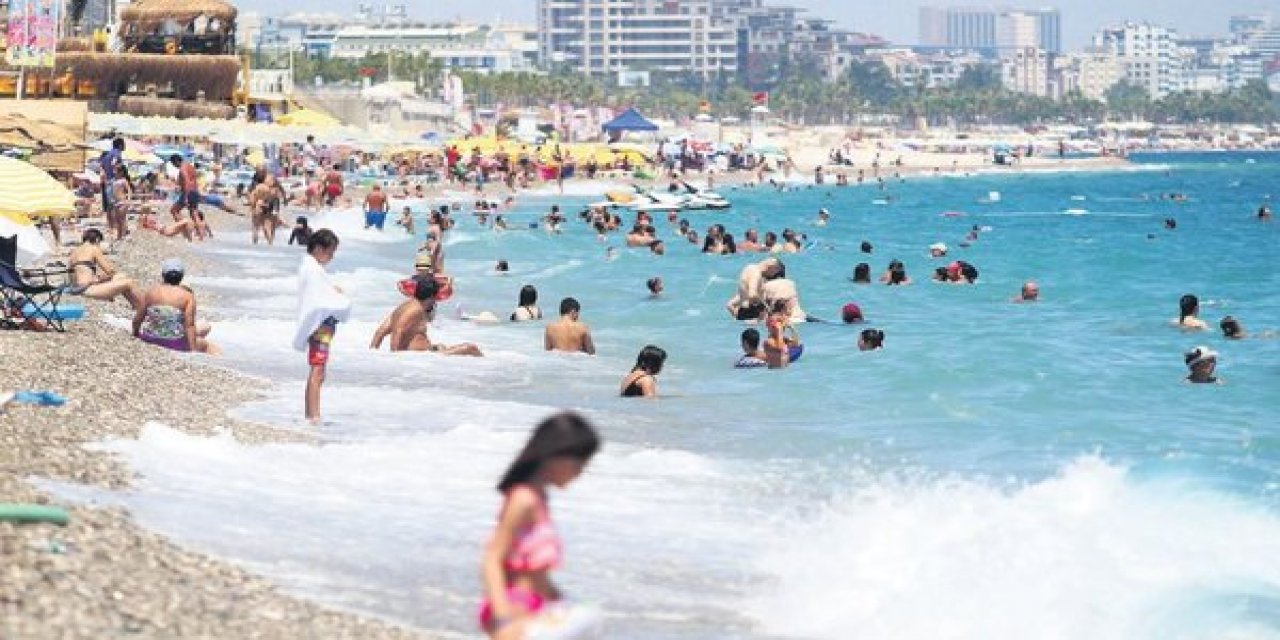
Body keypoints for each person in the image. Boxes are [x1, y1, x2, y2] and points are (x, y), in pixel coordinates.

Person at [480, 411, 601, 640]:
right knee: (589, 619)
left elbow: (538, 575)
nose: (580, 472)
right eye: (580, 464)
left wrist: (560, 602)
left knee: (591, 618)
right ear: (556, 456)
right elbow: (492, 558)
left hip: (538, 604)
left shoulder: (539, 498)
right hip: (515, 606)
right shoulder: (522, 499)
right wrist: (503, 618)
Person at [294, 230, 351, 425]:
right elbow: (318, 301)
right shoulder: (313, 270)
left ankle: (311, 414)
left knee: (318, 371)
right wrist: (337, 295)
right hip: (320, 327)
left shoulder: (311, 268)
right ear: (319, 248)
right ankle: (313, 417)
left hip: (320, 326)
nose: (332, 256)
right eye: (330, 251)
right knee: (317, 371)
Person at [370, 277, 483, 356]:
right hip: (421, 357)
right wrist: (396, 360)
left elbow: (380, 332)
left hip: (424, 356)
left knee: (441, 346)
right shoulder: (416, 311)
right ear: (432, 296)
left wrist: (372, 356)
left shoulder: (404, 307)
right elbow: (399, 331)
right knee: (471, 348)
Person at [132, 259, 218, 354]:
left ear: (163, 275)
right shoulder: (188, 297)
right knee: (207, 345)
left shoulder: (151, 292)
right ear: (181, 277)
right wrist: (192, 349)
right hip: (174, 343)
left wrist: (136, 333)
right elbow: (190, 325)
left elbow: (138, 318)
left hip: (150, 338)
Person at [67, 229, 143, 310]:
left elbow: (74, 275)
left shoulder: (74, 251)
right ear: (97, 240)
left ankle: (137, 307)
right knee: (128, 283)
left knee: (121, 277)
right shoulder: (93, 248)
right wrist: (101, 278)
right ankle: (144, 308)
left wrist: (97, 279)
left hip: (75, 288)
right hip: (86, 289)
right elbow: (110, 271)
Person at [168, 154, 206, 241]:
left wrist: (185, 197)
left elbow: (186, 181)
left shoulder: (182, 169)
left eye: (173, 164)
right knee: (194, 214)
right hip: (195, 191)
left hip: (189, 192)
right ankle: (201, 237)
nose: (174, 166)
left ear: (176, 161)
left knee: (174, 210)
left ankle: (186, 233)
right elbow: (193, 179)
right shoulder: (189, 166)